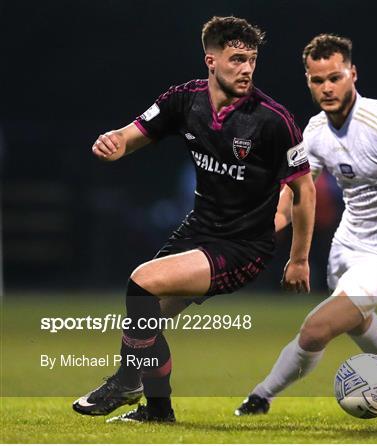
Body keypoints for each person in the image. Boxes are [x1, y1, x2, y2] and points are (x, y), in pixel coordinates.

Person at [72, 16, 315, 423]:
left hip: (242, 248)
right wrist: (115, 142)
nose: (247, 69)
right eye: (237, 59)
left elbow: (303, 191)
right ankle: (158, 411)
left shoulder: (273, 120)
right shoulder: (186, 100)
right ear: (211, 60)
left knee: (141, 283)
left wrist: (299, 258)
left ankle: (127, 382)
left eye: (252, 59)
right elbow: (136, 130)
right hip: (199, 230)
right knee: (144, 319)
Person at [235, 34, 377, 416]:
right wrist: (267, 225)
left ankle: (261, 396)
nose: (327, 88)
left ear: (353, 74)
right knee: (356, 320)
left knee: (317, 328)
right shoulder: (315, 132)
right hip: (347, 245)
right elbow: (297, 191)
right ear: (307, 81)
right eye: (317, 80)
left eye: (335, 77)